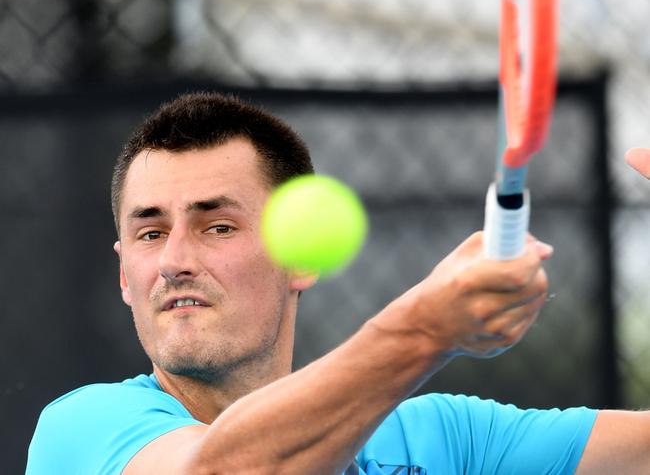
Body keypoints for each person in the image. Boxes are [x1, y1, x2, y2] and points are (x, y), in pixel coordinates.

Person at [25, 92, 650, 474]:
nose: (174, 260)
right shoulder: (83, 432)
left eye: (216, 227)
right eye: (150, 233)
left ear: (299, 258)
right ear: (124, 275)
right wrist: (424, 330)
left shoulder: (447, 439)